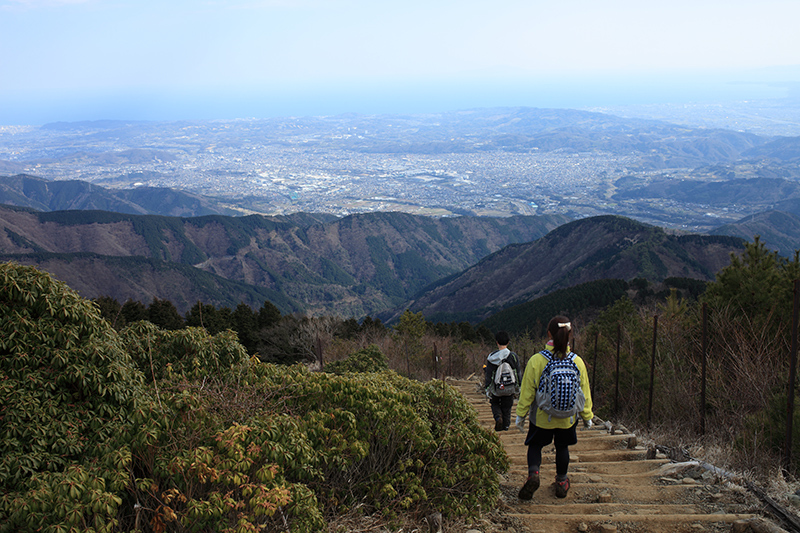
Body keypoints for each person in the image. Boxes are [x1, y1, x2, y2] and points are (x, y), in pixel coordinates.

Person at [514, 316, 594, 500]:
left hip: (542, 416)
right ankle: (561, 481)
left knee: (535, 445)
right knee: (562, 446)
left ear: (549, 333)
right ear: (569, 334)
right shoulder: (577, 361)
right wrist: (587, 416)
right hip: (567, 418)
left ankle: (534, 474)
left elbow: (527, 392)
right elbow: (584, 392)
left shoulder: (537, 360)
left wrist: (521, 415)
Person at [483, 330, 521, 431]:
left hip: (496, 387)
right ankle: (506, 426)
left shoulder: (492, 357)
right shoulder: (513, 356)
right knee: (507, 407)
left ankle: (498, 417)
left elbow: (489, 375)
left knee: (494, 403)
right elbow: (517, 372)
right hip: (510, 387)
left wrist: (487, 388)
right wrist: (518, 386)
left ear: (497, 342)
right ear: (508, 342)